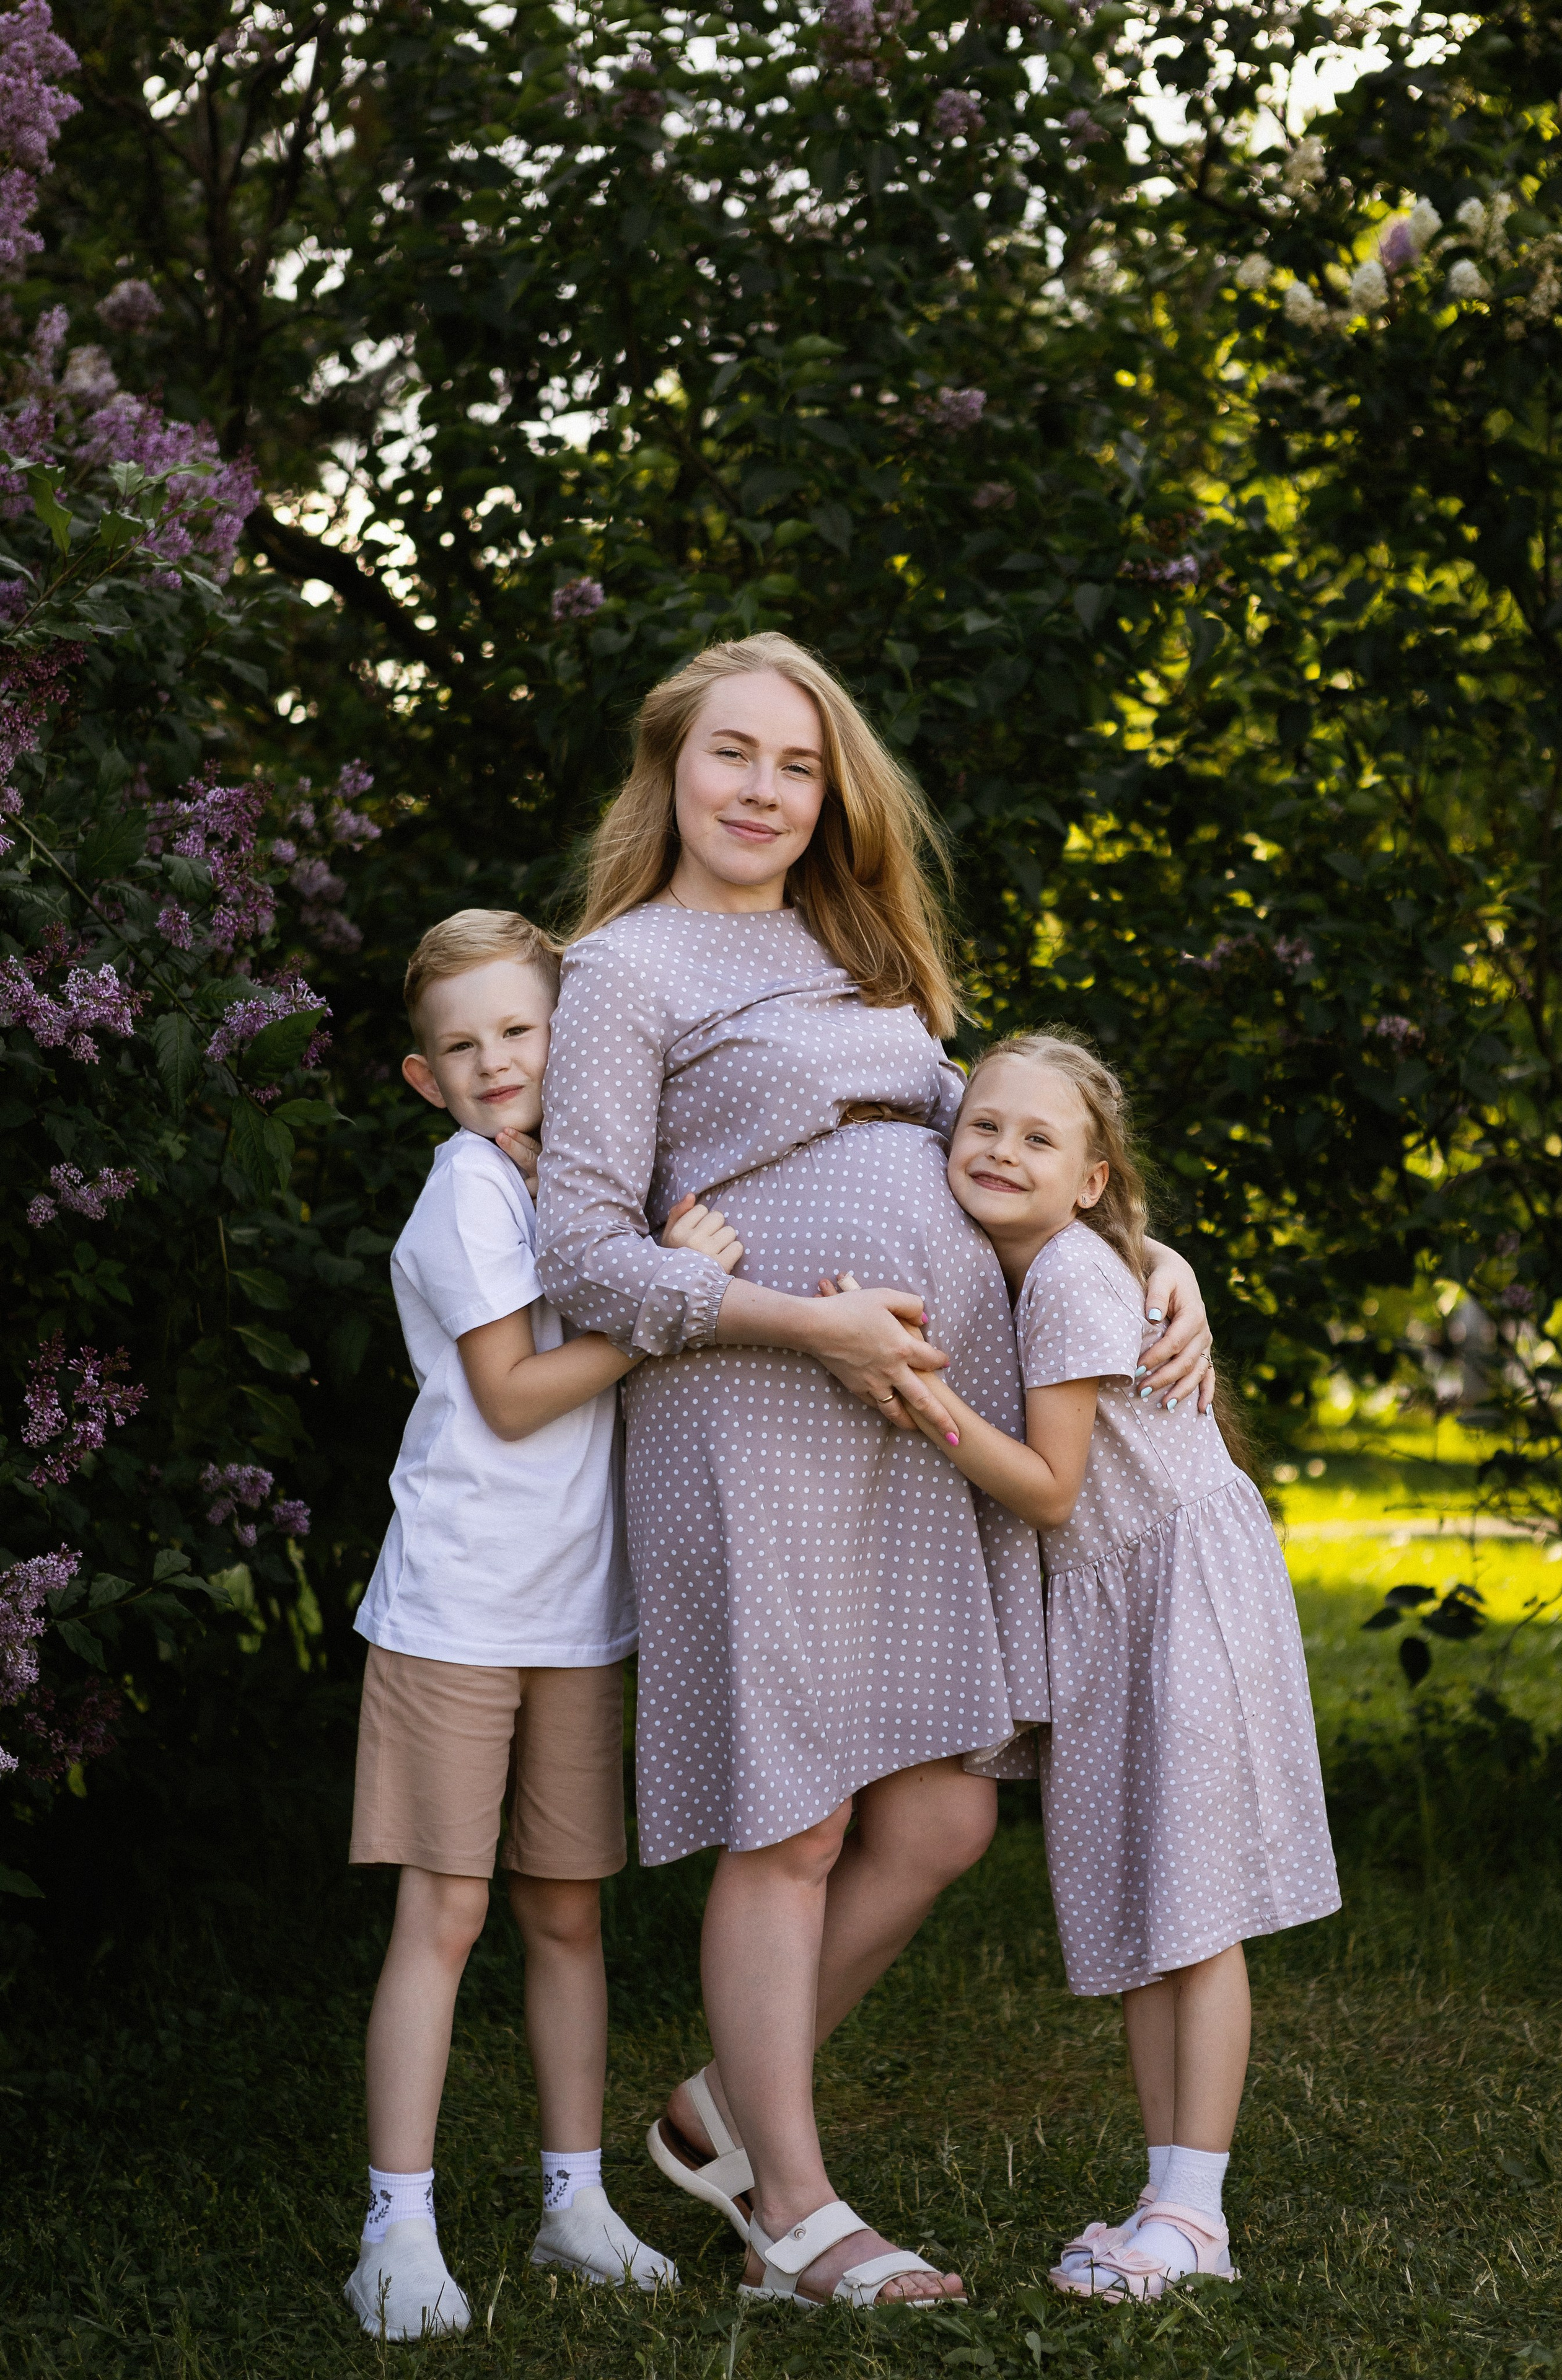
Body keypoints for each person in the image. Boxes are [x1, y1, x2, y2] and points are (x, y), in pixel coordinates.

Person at [535, 633, 1216, 2310]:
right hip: (749, 1407)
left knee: (940, 1809)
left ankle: (717, 2114)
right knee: (796, 1818)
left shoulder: (866, 953)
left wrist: (1149, 1258)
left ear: (833, 793)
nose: (763, 791)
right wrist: (810, 1326)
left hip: (907, 1418)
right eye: (732, 754)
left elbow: (1006, 1153)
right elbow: (585, 1256)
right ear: (668, 769)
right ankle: (793, 2213)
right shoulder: (621, 972)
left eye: (798, 765)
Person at [849, 1026, 1338, 2303]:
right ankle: (1167, 2200)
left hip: (1174, 1589)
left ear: (1091, 1178)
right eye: (984, 1126)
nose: (1002, 1150)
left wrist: (917, 1394)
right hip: (1118, 1602)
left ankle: (1196, 2215)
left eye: (1039, 1137)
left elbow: (1053, 1490)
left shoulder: (1067, 1274)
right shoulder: (1035, 1267)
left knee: (1193, 1909)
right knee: (1139, 1907)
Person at [343, 909, 731, 2339]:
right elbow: (510, 1394)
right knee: (444, 1913)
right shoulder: (465, 1191)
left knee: (567, 1912)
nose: (495, 1061)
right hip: (458, 1605)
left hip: (576, 1614)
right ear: (423, 1077)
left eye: (519, 1029)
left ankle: (574, 2204)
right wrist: (667, 1303)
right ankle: (395, 2229)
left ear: (573, 1038)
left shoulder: (575, 1185)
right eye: (462, 1046)